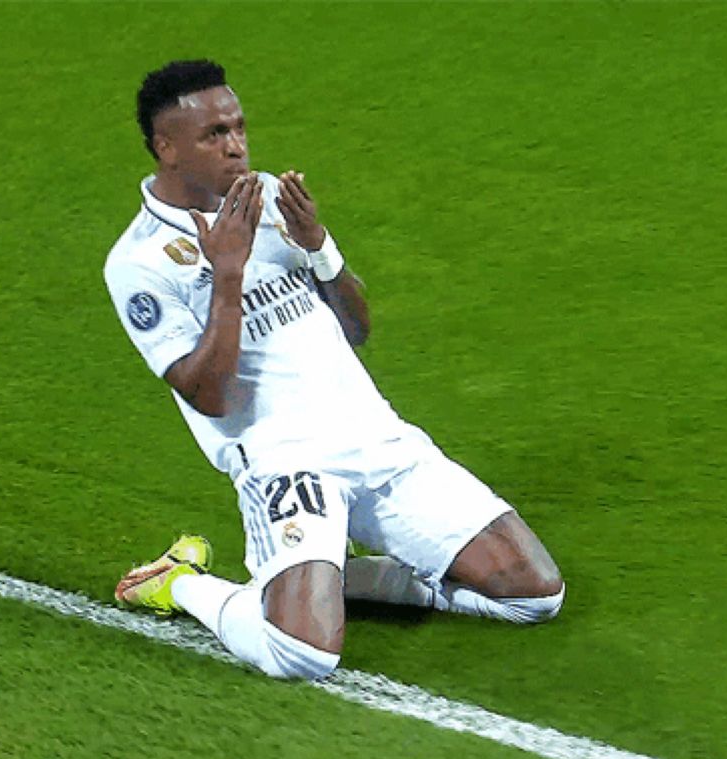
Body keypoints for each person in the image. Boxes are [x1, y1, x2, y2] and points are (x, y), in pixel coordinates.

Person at [105, 59, 564, 681]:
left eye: (239, 127)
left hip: (377, 440)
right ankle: (182, 582)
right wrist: (229, 275)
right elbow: (209, 395)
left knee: (534, 596)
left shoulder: (266, 199)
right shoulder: (138, 263)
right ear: (167, 148)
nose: (237, 146)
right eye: (215, 135)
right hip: (286, 463)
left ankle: (332, 570)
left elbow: (358, 329)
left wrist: (319, 245)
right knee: (302, 654)